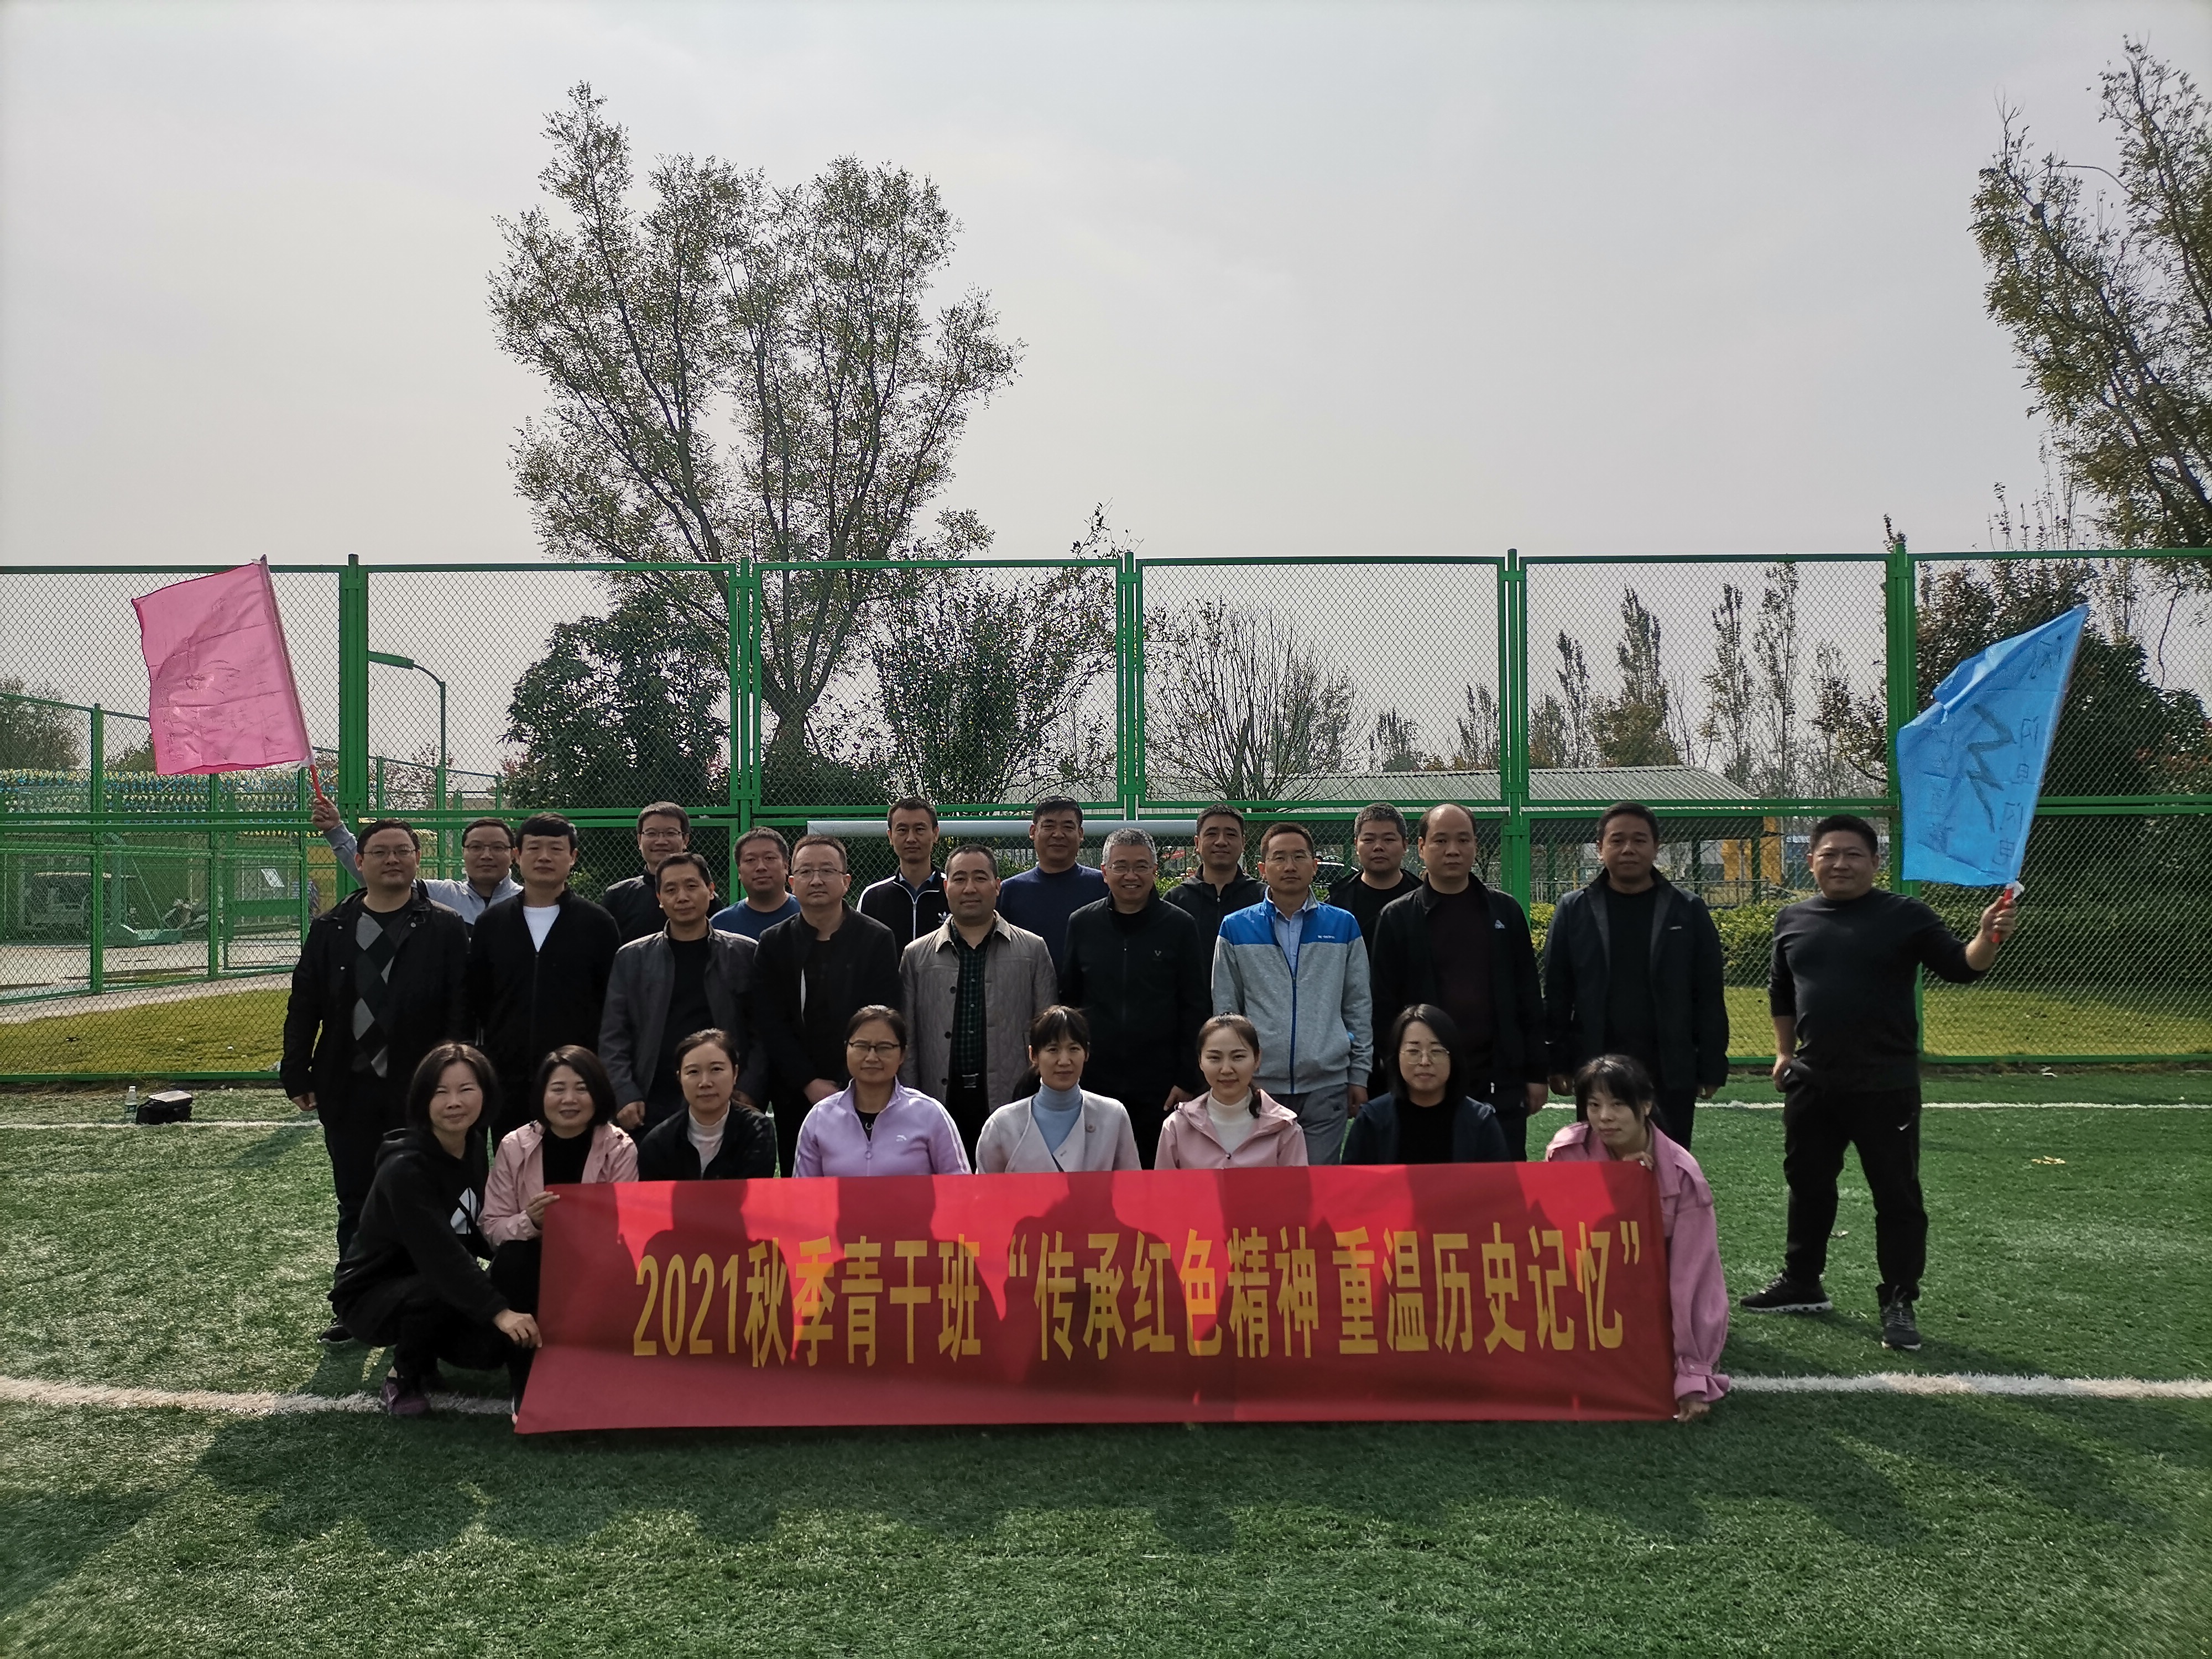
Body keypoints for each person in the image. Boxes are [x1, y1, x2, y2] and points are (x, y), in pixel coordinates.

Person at [1741, 812, 2019, 1351]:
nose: (1840, 863)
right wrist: (1782, 1053)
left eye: (1853, 854)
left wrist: (1988, 936)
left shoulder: (1905, 915)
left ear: (1875, 862)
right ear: (1811, 861)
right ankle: (1802, 1282)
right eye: (1829, 854)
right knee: (1808, 1185)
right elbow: (1781, 990)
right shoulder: (1792, 918)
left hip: (1884, 1086)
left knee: (1896, 1196)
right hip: (1812, 1083)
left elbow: (1962, 967)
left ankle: (1898, 1299)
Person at [282, 817, 470, 1342]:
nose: (393, 860)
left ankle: (426, 1302)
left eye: (403, 851)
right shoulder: (331, 928)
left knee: (426, 1200)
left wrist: (453, 1075)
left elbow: (460, 1007)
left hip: (421, 1091)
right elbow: (305, 1004)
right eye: (381, 852)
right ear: (360, 862)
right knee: (356, 1201)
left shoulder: (445, 927)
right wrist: (297, 1069)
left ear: (417, 860)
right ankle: (357, 1303)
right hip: (349, 1087)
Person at [328, 1044, 541, 1418]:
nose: (454, 1102)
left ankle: (426, 1355)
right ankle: (401, 1378)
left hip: (433, 1283)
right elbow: (440, 1255)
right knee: (439, 1292)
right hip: (371, 1295)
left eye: (466, 1089)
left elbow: (472, 1223)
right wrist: (500, 1312)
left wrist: (528, 1233)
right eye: (440, 1092)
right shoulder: (405, 1170)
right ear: (421, 1099)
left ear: (486, 1093)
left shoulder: (471, 1143)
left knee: (490, 1349)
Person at [1546, 1054, 1730, 1422]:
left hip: (1652, 1301)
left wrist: (1693, 1374)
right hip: (1587, 1295)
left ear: (1645, 1106)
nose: (1604, 1117)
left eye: (1618, 1105)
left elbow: (1694, 1278)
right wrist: (1615, 1189)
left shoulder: (1682, 1175)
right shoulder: (1566, 1152)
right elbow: (1557, 1241)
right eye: (1594, 1106)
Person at [1542, 801, 1728, 1147]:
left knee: (1669, 1162)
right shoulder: (1574, 909)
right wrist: (1557, 1061)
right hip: (1597, 1066)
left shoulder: (1687, 909)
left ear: (1656, 847)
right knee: (1601, 1164)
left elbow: (1708, 991)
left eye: (1639, 840)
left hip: (1669, 1066)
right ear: (1600, 848)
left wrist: (1712, 1062)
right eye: (1617, 840)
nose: (1628, 849)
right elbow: (1557, 990)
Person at [1368, 804, 1548, 1160]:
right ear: (1421, 847)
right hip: (1424, 1080)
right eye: (1441, 841)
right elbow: (1383, 1007)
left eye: (1463, 840)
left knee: (1501, 1183)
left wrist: (1536, 1072)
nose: (1453, 850)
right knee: (1430, 1183)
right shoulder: (1397, 918)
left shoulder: (1505, 911)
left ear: (1475, 846)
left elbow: (1528, 996)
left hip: (1498, 1077)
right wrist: (1395, 1074)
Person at [1212, 821, 1373, 1166]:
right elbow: (1226, 1012)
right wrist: (1235, 1072)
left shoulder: (1343, 925)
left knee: (1316, 1185)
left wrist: (1358, 1074)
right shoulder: (1235, 928)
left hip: (1326, 1085)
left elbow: (1358, 1005)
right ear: (1262, 868)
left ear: (1314, 866)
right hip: (1258, 1086)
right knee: (1261, 1186)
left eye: (1299, 857)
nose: (1289, 866)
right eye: (1279, 858)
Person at [753, 834, 905, 1177]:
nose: (816, 880)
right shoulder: (774, 943)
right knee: (804, 1184)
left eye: (827, 871)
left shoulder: (876, 938)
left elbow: (885, 1014)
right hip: (795, 1091)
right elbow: (770, 1021)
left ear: (846, 881)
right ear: (792, 882)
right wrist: (808, 1082)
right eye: (806, 872)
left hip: (864, 1084)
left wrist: (848, 1081)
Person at [1058, 827, 1209, 1167]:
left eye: (1141, 866)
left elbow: (1195, 1005)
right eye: (1121, 866)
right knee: (1096, 1175)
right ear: (1104, 871)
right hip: (1096, 1081)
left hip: (1162, 1086)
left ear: (1155, 870)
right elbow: (1070, 1003)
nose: (1131, 876)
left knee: (1157, 1177)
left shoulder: (1180, 926)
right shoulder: (1082, 924)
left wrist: (1186, 1079)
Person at [467, 812, 622, 1140]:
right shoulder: (492, 923)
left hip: (577, 1076)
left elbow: (611, 1001)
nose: (544, 857)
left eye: (556, 848)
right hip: (507, 1074)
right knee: (514, 1159)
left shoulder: (597, 924)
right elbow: (478, 997)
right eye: (534, 848)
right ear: (517, 855)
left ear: (573, 857)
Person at [899, 843, 1057, 1157]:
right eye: (960, 879)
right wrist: (912, 1101)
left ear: (997, 886)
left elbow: (1049, 1034)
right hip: (938, 1101)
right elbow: (908, 1040)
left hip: (1013, 1102)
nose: (970, 888)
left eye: (980, 878)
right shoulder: (916, 956)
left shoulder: (1033, 950)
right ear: (946, 887)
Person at [598, 851, 767, 1136]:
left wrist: (749, 1089)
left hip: (727, 1097)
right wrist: (624, 1092)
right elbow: (614, 1034)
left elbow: (762, 1031)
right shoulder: (631, 958)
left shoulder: (744, 953)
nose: (682, 897)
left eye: (692, 886)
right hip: (650, 1102)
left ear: (710, 891)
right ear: (659, 899)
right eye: (671, 890)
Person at [483, 1046, 638, 1315]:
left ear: (598, 1094)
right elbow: (492, 1228)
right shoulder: (514, 1145)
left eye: (582, 1089)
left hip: (597, 1264)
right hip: (533, 1266)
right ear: (542, 1094)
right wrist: (530, 1222)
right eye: (558, 1089)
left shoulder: (619, 1148)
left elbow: (628, 1228)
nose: (569, 1099)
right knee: (514, 1257)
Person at [792, 1007, 970, 1176]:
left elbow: (960, 1186)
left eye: (884, 1047)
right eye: (861, 1046)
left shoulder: (930, 1114)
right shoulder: (820, 1117)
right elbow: (803, 1191)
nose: (871, 1057)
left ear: (902, 1054)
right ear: (847, 1049)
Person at [975, 1006, 1144, 1172]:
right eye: (1053, 1050)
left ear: (1086, 1053)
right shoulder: (1002, 1125)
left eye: (1074, 1049)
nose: (1064, 1061)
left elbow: (1132, 1186)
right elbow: (985, 1188)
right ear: (1033, 1055)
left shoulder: (1113, 1116)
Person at [1342, 1004, 1510, 1164]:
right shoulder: (1371, 1120)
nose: (1424, 1061)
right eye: (1413, 1051)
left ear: (1453, 1058)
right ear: (1397, 1056)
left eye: (1436, 1051)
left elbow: (1499, 1182)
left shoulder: (1480, 1122)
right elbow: (1354, 1181)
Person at [312, 802, 520, 925]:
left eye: (498, 848)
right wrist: (335, 831)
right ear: (463, 853)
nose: (486, 855)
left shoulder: (529, 901)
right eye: (476, 847)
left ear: (513, 855)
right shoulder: (438, 895)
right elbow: (381, 877)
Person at [1155, 1014, 1308, 1169]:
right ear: (1200, 1061)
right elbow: (1164, 1185)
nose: (1226, 1069)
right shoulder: (1176, 1126)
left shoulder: (1285, 1127)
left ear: (1257, 1059)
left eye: (1238, 1057)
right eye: (1215, 1058)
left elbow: (1297, 1185)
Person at [636, 1027, 779, 1180]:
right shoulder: (658, 1144)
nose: (705, 1083)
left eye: (716, 1069)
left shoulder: (756, 1131)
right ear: (680, 1079)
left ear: (735, 1073)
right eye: (693, 1072)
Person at [995, 795, 1107, 973]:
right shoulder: (1009, 891)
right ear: (1033, 831)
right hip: (1026, 987)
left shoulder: (1103, 886)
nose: (1058, 834)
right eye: (1049, 826)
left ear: (1080, 834)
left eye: (1068, 827)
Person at [1165, 804, 1265, 953]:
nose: (1221, 842)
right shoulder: (1176, 900)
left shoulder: (1263, 898)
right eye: (1212, 834)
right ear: (1197, 843)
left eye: (1231, 834)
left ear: (1243, 843)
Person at [1328, 803, 1422, 954]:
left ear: (1405, 845)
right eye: (1369, 840)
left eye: (1389, 840)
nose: (1378, 847)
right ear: (1356, 845)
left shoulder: (1424, 900)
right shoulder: (1336, 903)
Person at [858, 796, 950, 947]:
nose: (911, 838)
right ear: (890, 836)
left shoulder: (954, 891)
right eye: (902, 830)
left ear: (935, 834)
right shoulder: (873, 898)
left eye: (919, 829)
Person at [599, 802, 693, 942]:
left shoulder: (702, 896)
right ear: (639, 840)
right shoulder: (617, 897)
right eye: (651, 833)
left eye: (670, 833)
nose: (661, 841)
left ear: (685, 840)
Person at [711, 827, 801, 940]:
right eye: (751, 860)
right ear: (739, 871)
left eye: (769, 858)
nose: (761, 867)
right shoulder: (720, 926)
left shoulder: (809, 915)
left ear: (786, 866)